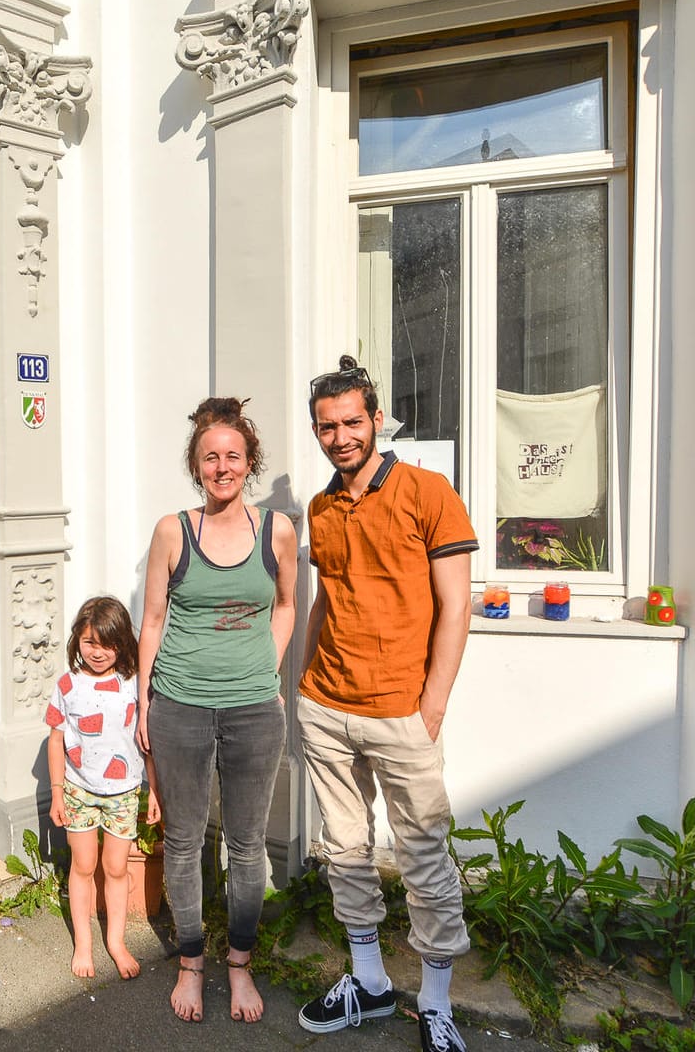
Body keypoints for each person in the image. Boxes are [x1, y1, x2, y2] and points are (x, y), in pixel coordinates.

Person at [293, 358, 476, 1052]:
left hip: (402, 711)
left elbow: (456, 607)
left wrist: (431, 706)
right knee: (345, 849)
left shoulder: (429, 492)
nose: (339, 436)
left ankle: (434, 1002)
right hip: (328, 706)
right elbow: (328, 602)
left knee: (425, 854)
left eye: (350, 422)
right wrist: (305, 686)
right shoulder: (321, 507)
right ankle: (368, 982)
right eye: (326, 427)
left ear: (375, 419)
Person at [137, 397, 298, 1024]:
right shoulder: (172, 531)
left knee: (248, 843)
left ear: (249, 461)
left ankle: (239, 966)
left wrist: (269, 667)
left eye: (233, 456)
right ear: (196, 466)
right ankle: (190, 964)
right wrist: (146, 702)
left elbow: (285, 606)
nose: (222, 467)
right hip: (179, 703)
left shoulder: (277, 531)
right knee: (182, 842)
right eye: (211, 457)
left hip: (254, 708)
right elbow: (152, 621)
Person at [45, 596, 156, 980]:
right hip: (79, 790)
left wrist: (153, 790)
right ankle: (84, 944)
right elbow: (56, 739)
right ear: (77, 639)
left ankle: (116, 942)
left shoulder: (133, 684)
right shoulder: (67, 685)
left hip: (124, 792)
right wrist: (58, 792)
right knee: (83, 865)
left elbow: (146, 738)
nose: (98, 652)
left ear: (123, 642)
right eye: (90, 642)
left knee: (115, 867)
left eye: (107, 643)